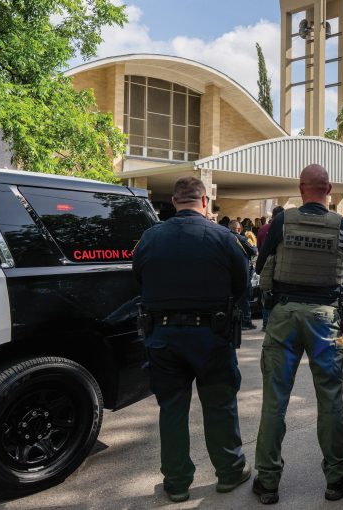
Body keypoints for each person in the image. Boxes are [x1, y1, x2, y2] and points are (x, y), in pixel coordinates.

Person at [133, 177, 251, 502]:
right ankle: (229, 472)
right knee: (220, 405)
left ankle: (176, 483)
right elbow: (243, 287)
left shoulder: (150, 237)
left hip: (163, 336)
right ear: (204, 201)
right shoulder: (224, 237)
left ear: (174, 201)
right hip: (212, 336)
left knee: (172, 409)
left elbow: (138, 278)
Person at [253, 164, 343, 504]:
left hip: (284, 315)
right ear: (328, 189)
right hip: (324, 317)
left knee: (274, 399)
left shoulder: (283, 221)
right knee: (330, 398)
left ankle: (268, 482)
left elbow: (260, 266)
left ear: (301, 189)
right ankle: (337, 477)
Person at [256, 206, 284, 331]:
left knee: (266, 295)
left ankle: (266, 323)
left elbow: (259, 248)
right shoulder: (284, 229)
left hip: (266, 266)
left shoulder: (263, 229)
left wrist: (259, 268)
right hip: (280, 266)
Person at [229, 220, 258, 329]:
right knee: (243, 298)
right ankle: (246, 321)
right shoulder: (242, 239)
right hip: (242, 272)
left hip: (227, 273)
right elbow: (255, 251)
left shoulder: (223, 238)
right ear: (239, 229)